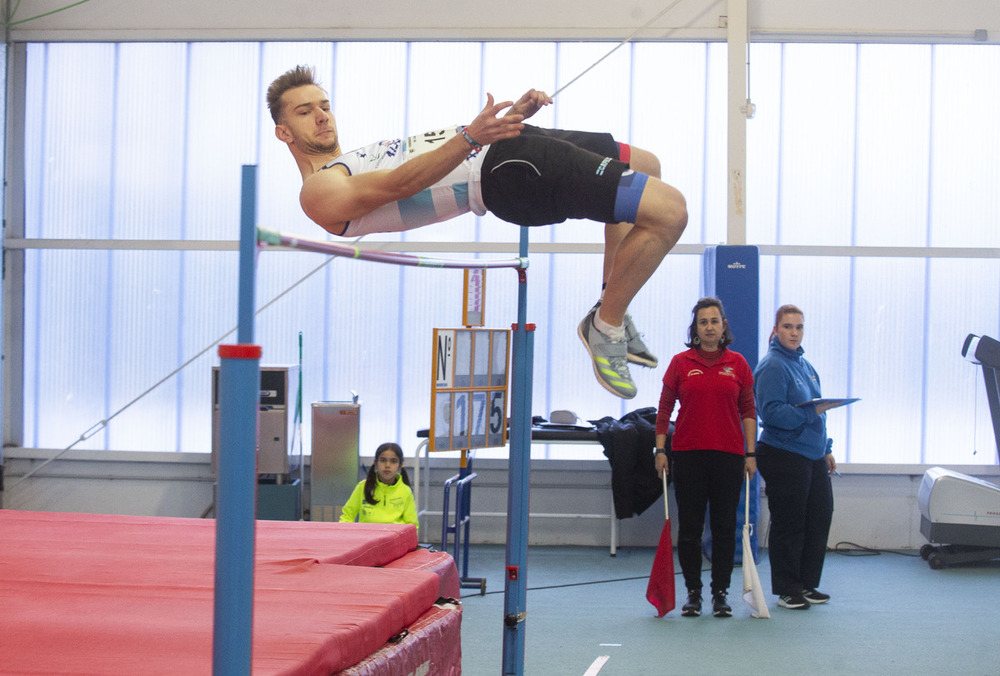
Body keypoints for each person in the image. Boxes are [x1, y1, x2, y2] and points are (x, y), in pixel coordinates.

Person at [267, 65, 688, 399]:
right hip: (504, 171)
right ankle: (606, 323)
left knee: (647, 164)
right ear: (283, 132)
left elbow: (432, 162)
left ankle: (608, 302)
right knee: (670, 212)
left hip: (503, 146)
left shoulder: (355, 158)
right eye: (305, 112)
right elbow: (400, 185)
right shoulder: (318, 190)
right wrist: (472, 136)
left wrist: (508, 121)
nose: (321, 115)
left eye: (323, 105)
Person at [653, 297, 757, 618]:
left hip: (729, 457)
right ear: (695, 328)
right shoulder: (680, 363)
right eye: (703, 322)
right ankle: (693, 593)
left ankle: (720, 594)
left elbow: (749, 410)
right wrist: (660, 450)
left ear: (723, 326)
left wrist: (750, 453)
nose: (709, 327)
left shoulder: (738, 364)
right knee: (691, 529)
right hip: (687, 456)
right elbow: (664, 409)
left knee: (725, 527)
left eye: (715, 321)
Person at [753, 304, 837, 610]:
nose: (794, 333)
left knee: (819, 516)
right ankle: (788, 589)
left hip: (813, 455)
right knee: (790, 522)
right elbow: (772, 413)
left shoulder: (804, 364)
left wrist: (825, 448)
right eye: (788, 327)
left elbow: (819, 413)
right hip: (783, 454)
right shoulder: (772, 365)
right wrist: (809, 412)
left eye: (799, 327)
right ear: (776, 330)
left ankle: (806, 583)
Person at [340, 442, 418, 528]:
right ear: (376, 463)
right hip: (367, 539)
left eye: (393, 461)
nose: (387, 465)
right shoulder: (362, 487)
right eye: (383, 460)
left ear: (400, 465)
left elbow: (412, 526)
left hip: (394, 540)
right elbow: (346, 517)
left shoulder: (405, 491)